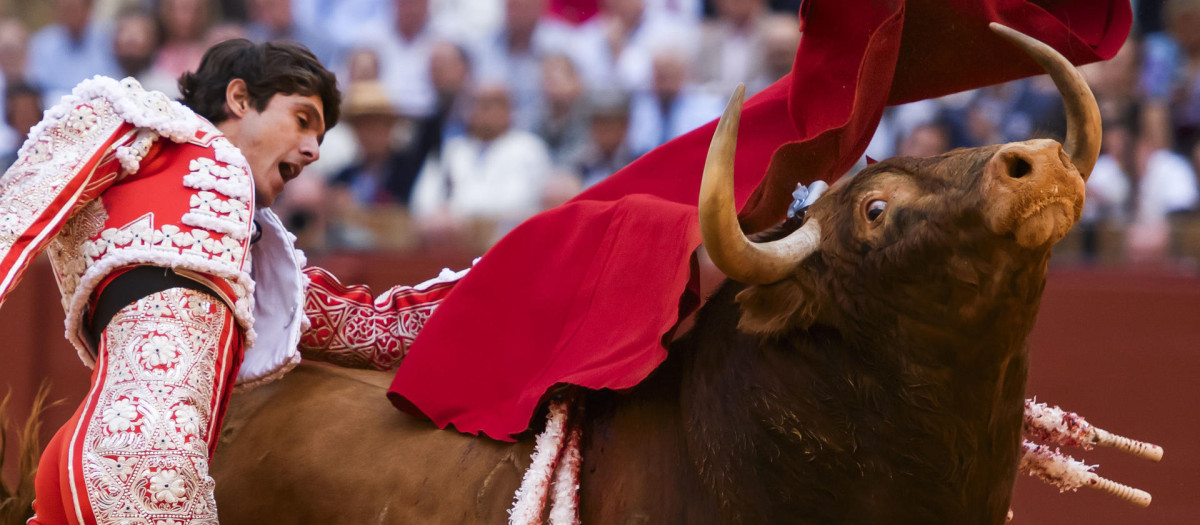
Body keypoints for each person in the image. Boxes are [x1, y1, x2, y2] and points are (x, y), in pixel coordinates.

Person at [0, 39, 456, 524]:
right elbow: (15, 219)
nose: (314, 150)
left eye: (320, 137)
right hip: (150, 457)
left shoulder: (254, 257)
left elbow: (374, 329)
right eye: (302, 120)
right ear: (240, 99)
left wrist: (508, 279)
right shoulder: (140, 123)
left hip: (112, 450)